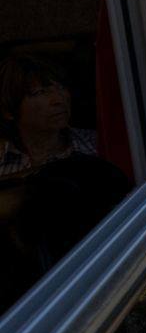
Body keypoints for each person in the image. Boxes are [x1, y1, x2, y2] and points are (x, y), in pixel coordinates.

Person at [0, 55, 129, 311]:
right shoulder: (3, 165)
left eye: (60, 88)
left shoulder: (100, 148)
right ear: (9, 109)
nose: (58, 100)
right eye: (39, 93)